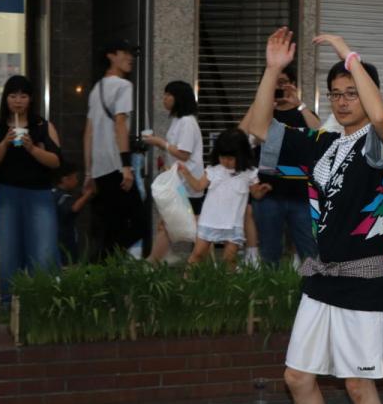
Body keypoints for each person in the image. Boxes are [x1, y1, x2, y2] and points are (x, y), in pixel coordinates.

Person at [245, 28, 383, 404]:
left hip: (366, 278)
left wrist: (346, 54)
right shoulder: (323, 144)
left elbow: (381, 116)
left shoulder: (377, 146)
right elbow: (256, 126)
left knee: (358, 384)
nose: (344, 100)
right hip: (322, 275)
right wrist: (272, 70)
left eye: (352, 91)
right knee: (297, 376)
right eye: (336, 94)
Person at [0, 75, 62, 309]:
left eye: (23, 96)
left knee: (43, 252)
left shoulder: (43, 127)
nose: (18, 101)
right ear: (6, 99)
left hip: (39, 196)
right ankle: (8, 306)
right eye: (13, 96)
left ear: (31, 99)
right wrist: (4, 143)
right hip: (7, 196)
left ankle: (43, 305)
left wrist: (32, 148)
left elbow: (56, 161)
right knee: (9, 254)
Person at [252, 62, 321, 264]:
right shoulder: (263, 115)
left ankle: (310, 292)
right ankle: (270, 295)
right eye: (274, 83)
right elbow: (248, 136)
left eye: (282, 82)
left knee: (309, 251)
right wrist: (264, 104)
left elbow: (319, 133)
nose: (278, 88)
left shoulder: (303, 113)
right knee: (269, 252)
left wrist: (299, 104)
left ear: (292, 84)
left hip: (302, 195)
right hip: (268, 194)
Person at [84, 39, 145, 259]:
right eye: (125, 53)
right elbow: (120, 124)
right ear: (111, 55)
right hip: (117, 167)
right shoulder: (123, 85)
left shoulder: (96, 88)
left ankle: (100, 275)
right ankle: (99, 265)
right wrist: (126, 166)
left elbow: (88, 132)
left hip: (100, 169)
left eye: (131, 54)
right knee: (140, 223)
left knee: (112, 226)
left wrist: (89, 172)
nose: (130, 58)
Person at [175, 128, 269, 269]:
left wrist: (262, 191)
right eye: (222, 156)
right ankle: (185, 283)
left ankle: (226, 288)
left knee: (229, 259)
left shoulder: (249, 174)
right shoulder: (213, 171)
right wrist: (187, 174)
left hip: (233, 224)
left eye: (230, 158)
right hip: (209, 221)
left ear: (242, 155)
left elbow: (255, 194)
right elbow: (198, 187)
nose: (226, 161)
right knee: (198, 254)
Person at [143, 80, 204, 262]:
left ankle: (154, 262)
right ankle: (158, 259)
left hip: (189, 184)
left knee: (177, 226)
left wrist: (160, 142)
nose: (165, 99)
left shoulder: (187, 122)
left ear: (179, 98)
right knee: (171, 224)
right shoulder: (179, 120)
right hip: (181, 182)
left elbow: (184, 153)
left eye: (169, 95)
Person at [53, 160, 95, 264]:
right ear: (65, 179)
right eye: (75, 177)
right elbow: (74, 207)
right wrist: (88, 194)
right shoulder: (62, 196)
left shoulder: (52, 192)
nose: (77, 181)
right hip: (65, 240)